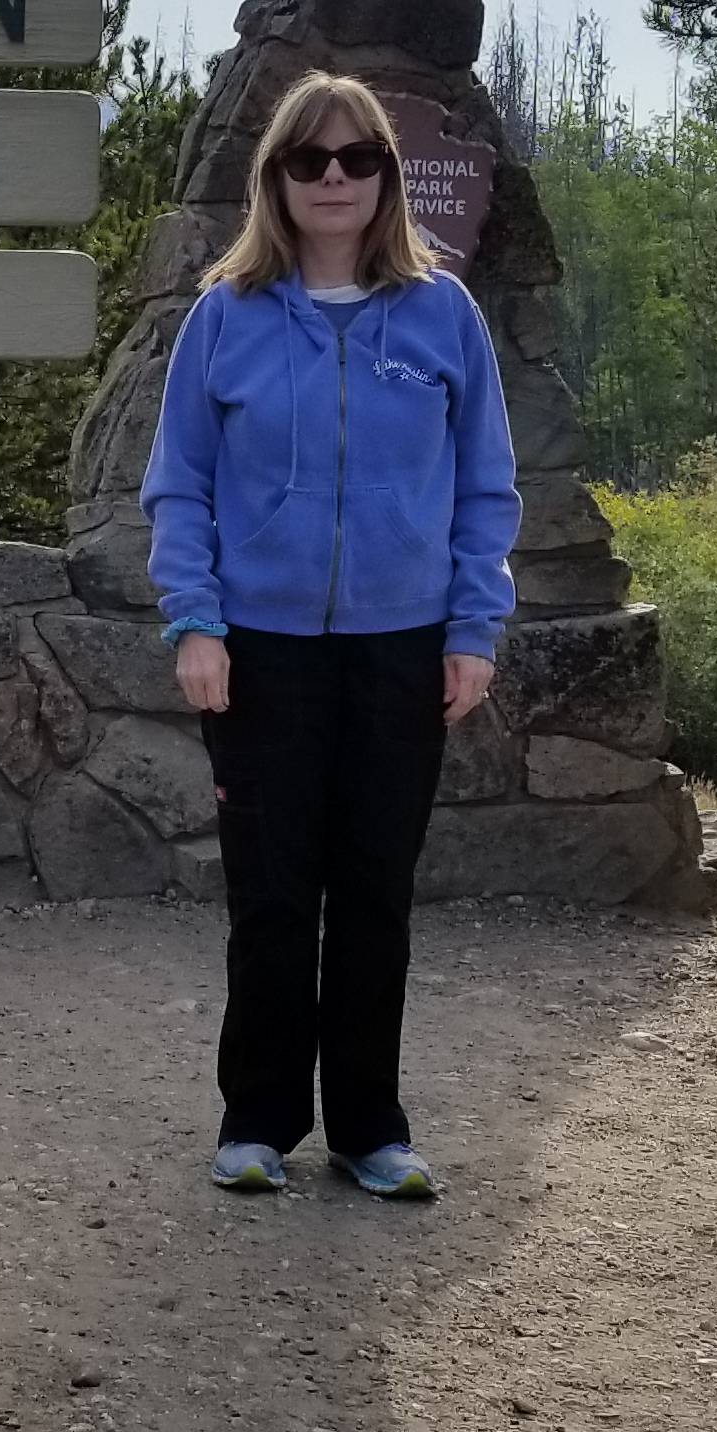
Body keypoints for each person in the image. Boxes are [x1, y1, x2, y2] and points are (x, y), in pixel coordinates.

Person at [139, 70, 519, 1199]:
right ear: (278, 180)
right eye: (312, 162)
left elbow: (485, 490)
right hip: (258, 648)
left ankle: (369, 1129)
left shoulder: (445, 313)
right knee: (271, 893)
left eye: (360, 159)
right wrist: (196, 625)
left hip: (404, 648)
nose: (337, 179)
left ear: (388, 177)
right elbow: (179, 487)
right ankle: (256, 1124)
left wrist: (475, 627)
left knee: (373, 893)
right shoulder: (227, 316)